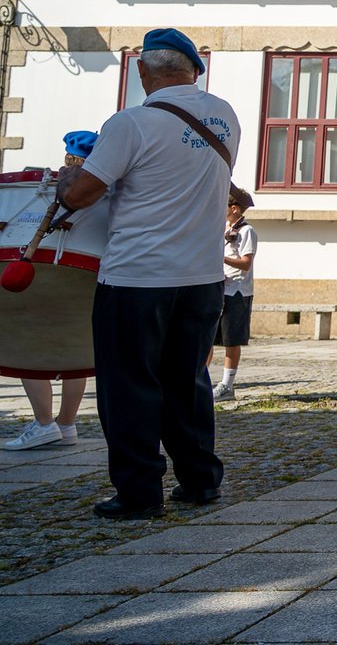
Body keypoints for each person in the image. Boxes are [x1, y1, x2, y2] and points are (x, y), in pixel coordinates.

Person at [56, 29, 238, 518]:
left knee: (129, 386)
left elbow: (80, 196)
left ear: (142, 70)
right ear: (195, 70)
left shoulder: (130, 123)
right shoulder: (225, 117)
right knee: (188, 382)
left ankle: (138, 494)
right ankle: (200, 481)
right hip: (202, 275)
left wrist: (70, 175)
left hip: (137, 277)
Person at [4, 130, 98, 452]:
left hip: (42, 274)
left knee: (29, 346)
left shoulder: (52, 188)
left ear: (68, 158)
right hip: (87, 276)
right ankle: (67, 424)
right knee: (74, 350)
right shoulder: (103, 189)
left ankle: (44, 424)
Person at [209, 186, 257, 402]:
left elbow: (246, 263)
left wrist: (220, 257)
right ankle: (198, 380)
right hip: (219, 287)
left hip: (237, 291)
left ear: (235, 208)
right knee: (207, 338)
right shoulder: (223, 228)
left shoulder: (247, 232)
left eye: (224, 205)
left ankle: (227, 385)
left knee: (231, 340)